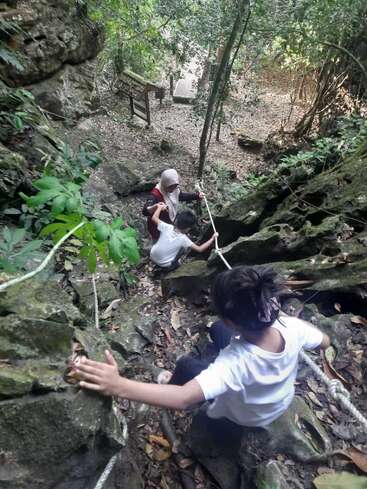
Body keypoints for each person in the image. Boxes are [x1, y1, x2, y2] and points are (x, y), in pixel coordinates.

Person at [75, 265, 330, 428]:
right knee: (217, 332)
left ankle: (168, 380)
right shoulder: (292, 327)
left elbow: (184, 398)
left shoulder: (235, 363)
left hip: (246, 415)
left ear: (232, 321)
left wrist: (118, 386)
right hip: (276, 402)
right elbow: (324, 342)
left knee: (186, 365)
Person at [150, 202, 218, 270]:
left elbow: (154, 218)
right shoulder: (184, 239)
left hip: (152, 255)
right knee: (183, 249)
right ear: (188, 228)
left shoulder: (168, 227)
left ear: (176, 221)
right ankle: (171, 266)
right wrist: (212, 238)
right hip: (164, 264)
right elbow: (199, 249)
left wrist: (159, 207)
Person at [143, 168, 203, 241]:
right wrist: (156, 206)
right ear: (165, 184)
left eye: (174, 186)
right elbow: (145, 211)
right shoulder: (155, 195)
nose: (172, 189)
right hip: (157, 227)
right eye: (170, 187)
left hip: (169, 222)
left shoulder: (174, 189)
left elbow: (180, 196)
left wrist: (196, 196)